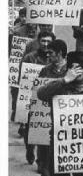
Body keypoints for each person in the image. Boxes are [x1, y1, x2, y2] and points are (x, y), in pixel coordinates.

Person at [37, 39, 69, 176]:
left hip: (67, 122)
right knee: (46, 155)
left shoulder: (72, 70)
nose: (47, 54)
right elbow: (40, 93)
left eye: (51, 53)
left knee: (63, 159)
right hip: (46, 116)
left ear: (60, 53)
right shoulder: (45, 71)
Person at [19, 30, 55, 165]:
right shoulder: (30, 58)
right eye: (43, 41)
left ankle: (41, 160)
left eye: (49, 42)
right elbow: (22, 79)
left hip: (47, 100)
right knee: (29, 128)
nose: (46, 44)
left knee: (43, 129)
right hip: (31, 97)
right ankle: (29, 149)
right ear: (38, 42)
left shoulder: (54, 58)